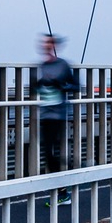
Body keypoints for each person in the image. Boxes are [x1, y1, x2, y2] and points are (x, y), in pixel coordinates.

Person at [33, 33, 80, 175]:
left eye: (48, 43)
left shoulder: (62, 65)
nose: (45, 46)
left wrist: (60, 86)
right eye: (44, 43)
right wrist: (39, 85)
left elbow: (76, 86)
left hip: (58, 114)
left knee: (52, 149)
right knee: (47, 151)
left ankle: (63, 184)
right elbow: (35, 89)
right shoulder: (41, 66)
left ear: (54, 46)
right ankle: (67, 172)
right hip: (44, 113)